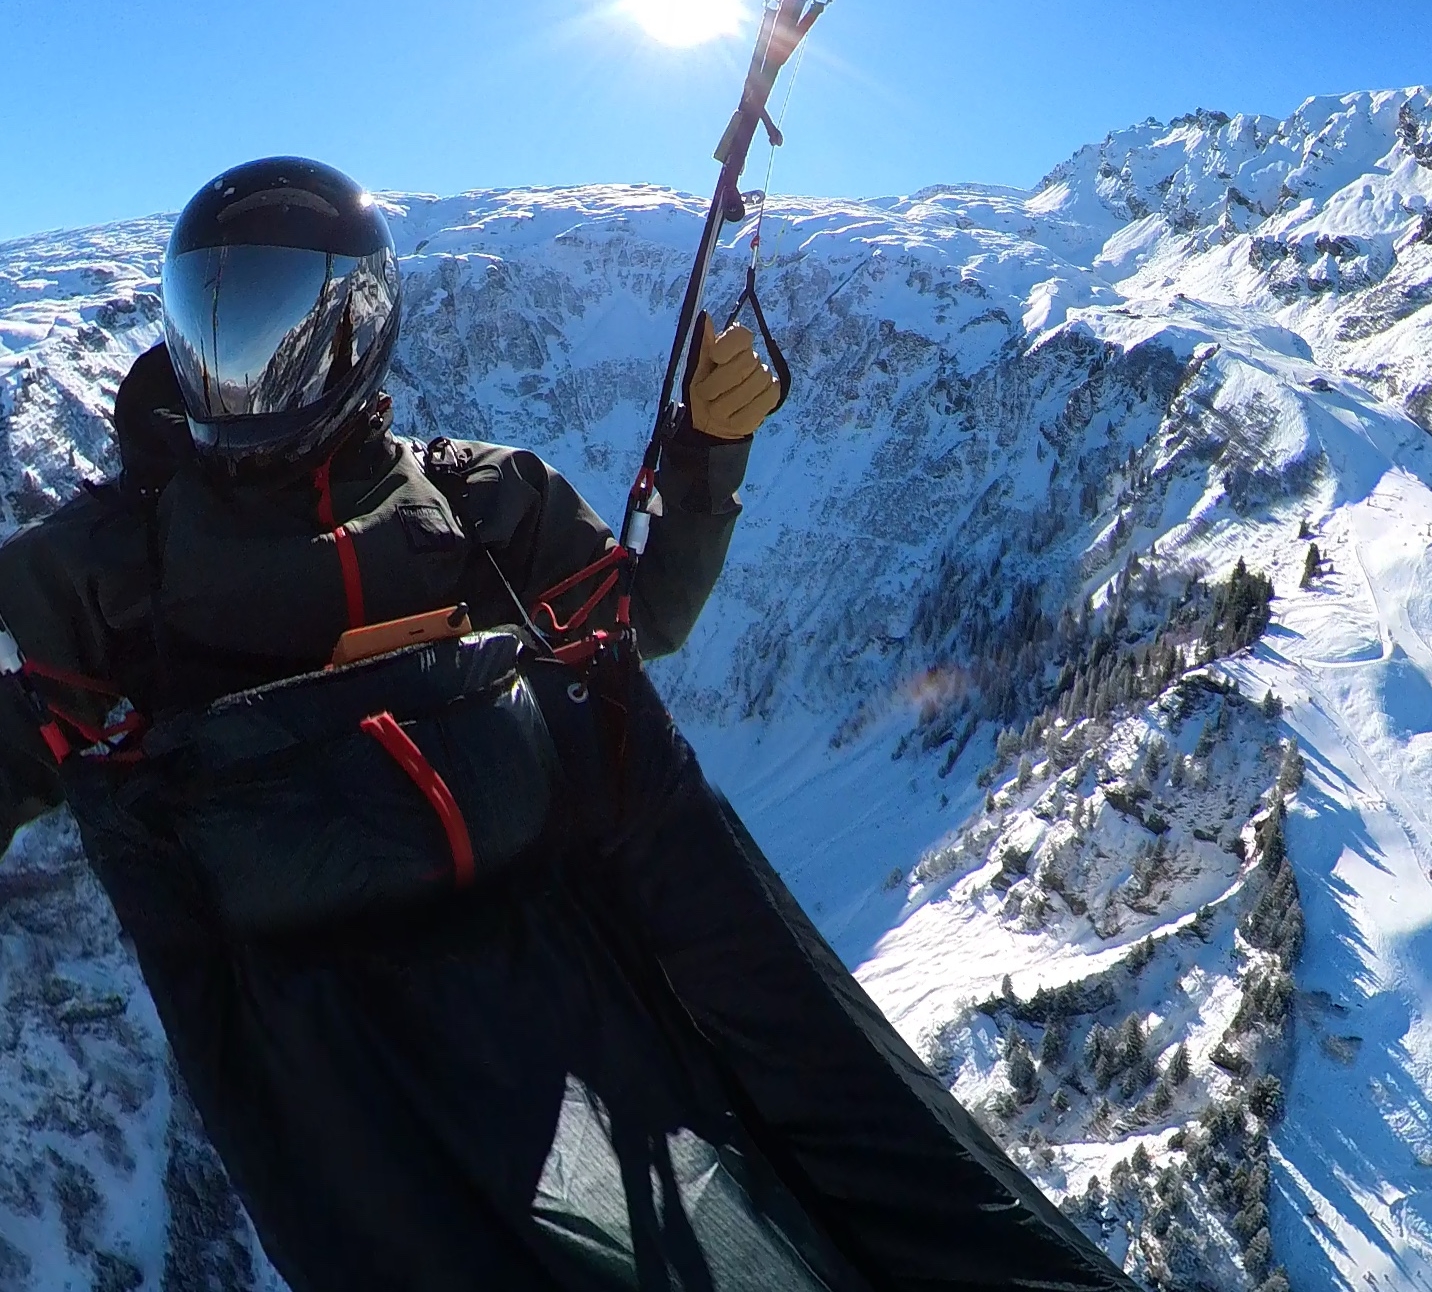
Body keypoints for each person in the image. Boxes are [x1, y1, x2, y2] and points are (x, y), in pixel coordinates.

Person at [0, 156, 1133, 1292]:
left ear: (358, 329)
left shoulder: (476, 506)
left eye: (265, 323)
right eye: (211, 321)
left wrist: (704, 456)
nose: (235, 368)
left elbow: (635, 624)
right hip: (359, 1060)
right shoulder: (105, 571)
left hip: (490, 1023)